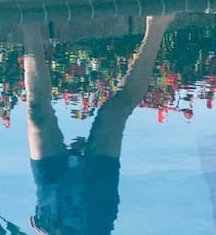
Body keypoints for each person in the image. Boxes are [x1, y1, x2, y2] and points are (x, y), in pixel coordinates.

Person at [22, 13, 175, 235]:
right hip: (95, 210)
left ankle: (28, 21)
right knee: (115, 112)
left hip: (54, 213)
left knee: (38, 115)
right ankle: (159, 23)